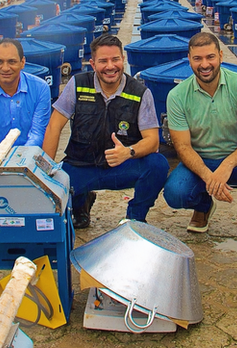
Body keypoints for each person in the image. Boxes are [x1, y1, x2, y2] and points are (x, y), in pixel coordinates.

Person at [162, 32, 237, 253]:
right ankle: (203, 207)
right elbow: (183, 146)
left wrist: (228, 164)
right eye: (198, 59)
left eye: (210, 57)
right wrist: (209, 176)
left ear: (221, 56)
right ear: (189, 59)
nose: (205, 64)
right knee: (175, 193)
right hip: (201, 163)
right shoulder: (177, 96)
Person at [42, 34, 168, 227]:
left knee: (158, 165)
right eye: (103, 61)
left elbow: (152, 140)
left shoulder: (140, 93)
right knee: (55, 192)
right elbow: (54, 126)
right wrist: (46, 171)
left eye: (115, 59)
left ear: (123, 60)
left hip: (121, 167)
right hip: (81, 164)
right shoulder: (78, 84)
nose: (110, 66)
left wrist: (128, 152)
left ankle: (135, 217)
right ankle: (81, 205)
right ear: (93, 64)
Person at [0, 38, 51, 160]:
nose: (5, 68)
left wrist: (18, 160)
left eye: (12, 62)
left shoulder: (40, 88)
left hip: (30, 157)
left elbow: (37, 134)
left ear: (22, 62)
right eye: (0, 62)